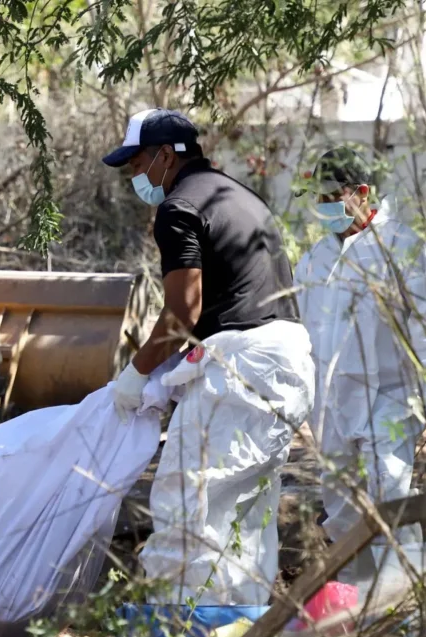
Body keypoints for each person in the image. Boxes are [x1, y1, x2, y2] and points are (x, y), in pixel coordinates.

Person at [103, 108, 313, 606]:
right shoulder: (239, 196)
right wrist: (173, 368)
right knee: (246, 511)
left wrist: (136, 373)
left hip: (240, 369)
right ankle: (240, 627)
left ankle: (181, 630)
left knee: (186, 501)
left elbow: (184, 309)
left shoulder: (179, 208)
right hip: (288, 359)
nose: (134, 176)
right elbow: (234, 298)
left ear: (164, 156)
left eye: (137, 164)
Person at [294, 147, 426, 566]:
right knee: (340, 508)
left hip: (389, 402)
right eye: (318, 197)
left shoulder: (404, 250)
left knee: (392, 502)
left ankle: (405, 591)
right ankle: (355, 589)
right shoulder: (315, 261)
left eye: (332, 196)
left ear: (362, 192)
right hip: (331, 407)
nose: (324, 205)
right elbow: (301, 331)